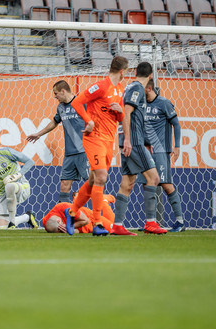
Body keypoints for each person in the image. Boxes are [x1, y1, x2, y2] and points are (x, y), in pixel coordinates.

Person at [64, 56, 129, 236]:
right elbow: (77, 102)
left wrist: (120, 111)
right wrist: (88, 121)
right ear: (123, 71)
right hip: (94, 138)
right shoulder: (101, 86)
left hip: (109, 141)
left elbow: (120, 119)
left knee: (94, 180)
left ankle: (71, 212)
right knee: (101, 176)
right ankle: (97, 223)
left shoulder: (120, 90)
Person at [111, 62, 167, 236]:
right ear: (151, 76)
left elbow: (130, 114)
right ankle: (150, 222)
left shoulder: (128, 87)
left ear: (136, 72)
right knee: (154, 177)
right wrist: (128, 139)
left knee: (127, 184)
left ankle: (117, 225)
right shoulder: (137, 89)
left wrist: (145, 140)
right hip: (133, 142)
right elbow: (126, 112)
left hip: (131, 140)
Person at [26, 80, 89, 203]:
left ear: (63, 91)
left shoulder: (82, 102)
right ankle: (64, 217)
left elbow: (95, 120)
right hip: (69, 154)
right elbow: (55, 122)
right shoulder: (60, 107)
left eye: (56, 93)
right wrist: (39, 134)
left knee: (92, 183)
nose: (54, 96)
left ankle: (101, 217)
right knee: (64, 185)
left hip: (84, 151)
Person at [136, 79, 185, 232]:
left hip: (160, 152)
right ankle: (151, 223)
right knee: (147, 186)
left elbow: (176, 124)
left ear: (149, 88)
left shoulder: (164, 103)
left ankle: (180, 221)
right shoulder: (141, 105)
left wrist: (177, 146)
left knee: (166, 185)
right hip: (145, 152)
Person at [43, 195, 116, 234]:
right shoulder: (47, 222)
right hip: (83, 228)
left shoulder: (65, 208)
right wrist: (69, 230)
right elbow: (76, 231)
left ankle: (104, 200)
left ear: (58, 221)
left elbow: (86, 220)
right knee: (111, 223)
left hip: (90, 219)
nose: (62, 231)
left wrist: (68, 226)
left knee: (114, 229)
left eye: (60, 230)